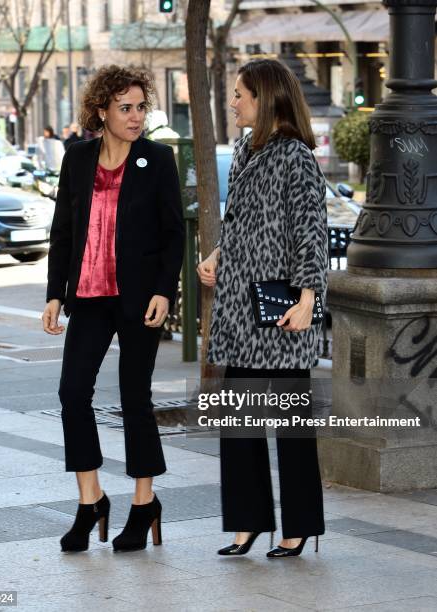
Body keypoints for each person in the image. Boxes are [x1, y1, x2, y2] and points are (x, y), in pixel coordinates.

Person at [42, 64, 185, 553]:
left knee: (134, 398)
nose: (136, 116)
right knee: (72, 393)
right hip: (88, 296)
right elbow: (63, 231)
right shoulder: (77, 159)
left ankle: (144, 503)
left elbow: (174, 234)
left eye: (141, 107)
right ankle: (91, 501)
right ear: (101, 110)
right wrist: (54, 294)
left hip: (139, 297)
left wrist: (165, 291)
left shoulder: (157, 159)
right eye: (125, 108)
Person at [197, 58, 328, 559]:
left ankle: (299, 527)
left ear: (265, 98)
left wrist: (308, 299)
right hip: (238, 310)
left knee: (292, 430)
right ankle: (248, 523)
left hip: (280, 310)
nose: (232, 102)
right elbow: (240, 225)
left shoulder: (296, 156)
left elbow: (311, 235)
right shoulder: (244, 152)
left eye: (239, 94)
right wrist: (215, 255)